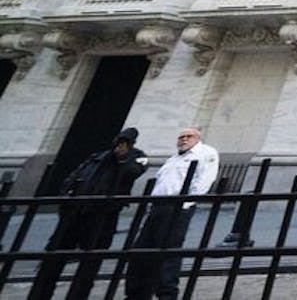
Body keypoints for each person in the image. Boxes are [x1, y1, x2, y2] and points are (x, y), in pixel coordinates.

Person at [29, 128, 147, 300]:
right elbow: (75, 176)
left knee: (89, 264)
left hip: (102, 216)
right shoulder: (98, 156)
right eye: (119, 140)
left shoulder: (137, 157)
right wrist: (65, 198)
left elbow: (133, 172)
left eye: (126, 141)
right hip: (75, 213)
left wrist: (123, 157)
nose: (121, 144)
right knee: (52, 260)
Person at [123, 127, 219, 300]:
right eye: (181, 137)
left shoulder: (205, 153)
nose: (183, 140)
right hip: (157, 208)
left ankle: (167, 295)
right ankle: (138, 293)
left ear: (198, 138)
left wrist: (184, 204)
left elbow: (204, 179)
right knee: (141, 252)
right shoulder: (174, 159)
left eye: (188, 136)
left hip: (176, 207)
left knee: (167, 254)